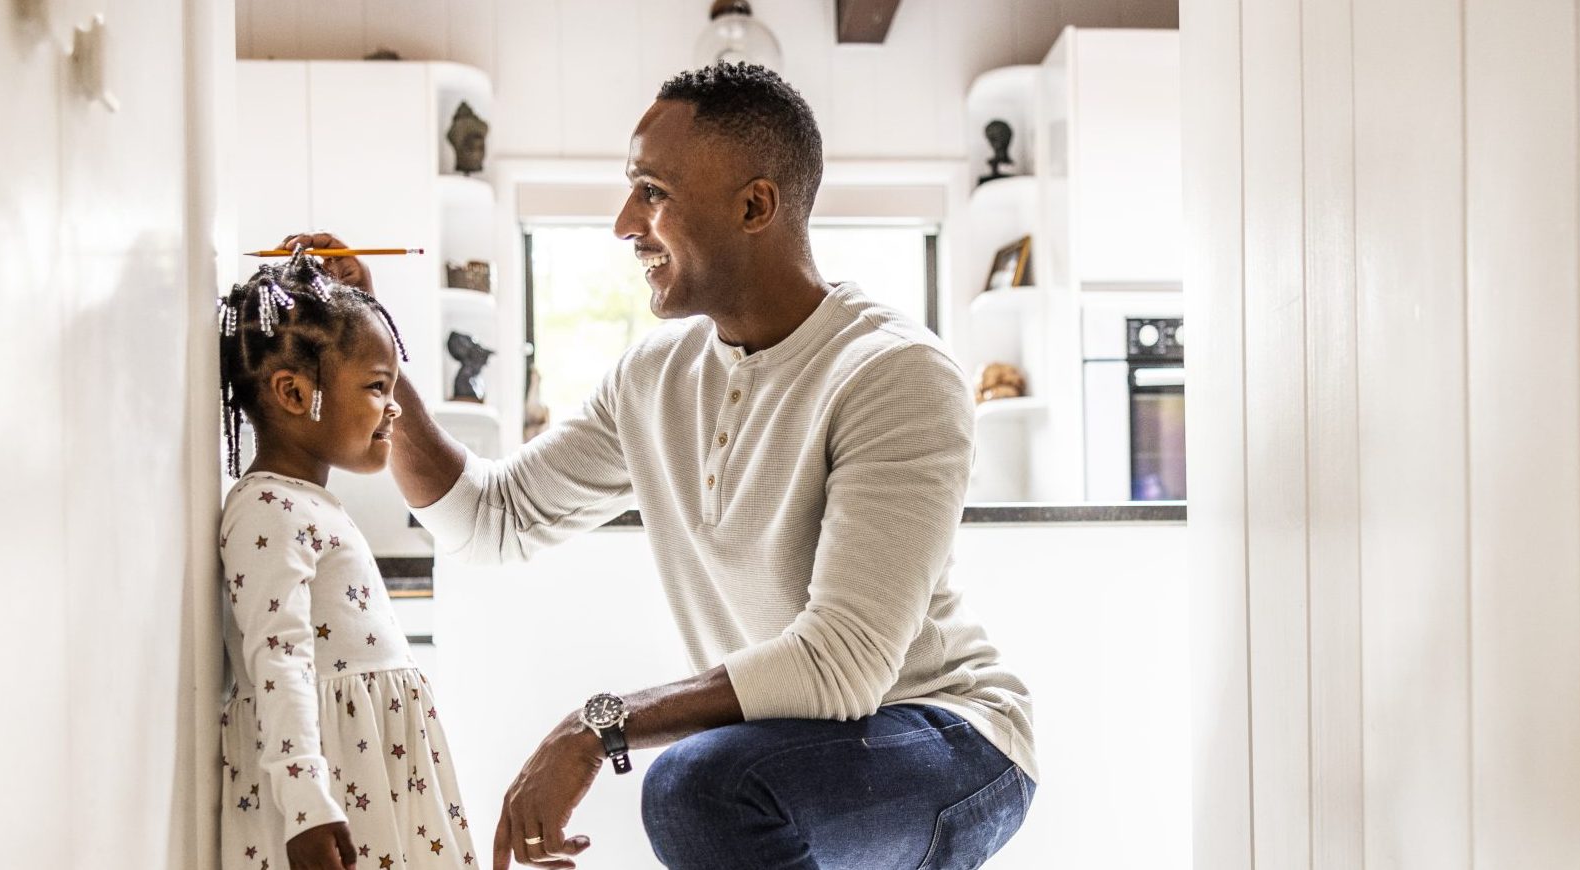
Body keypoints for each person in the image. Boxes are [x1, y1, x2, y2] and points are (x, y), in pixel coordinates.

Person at [292, 61, 1035, 870]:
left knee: (699, 787)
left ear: (755, 205)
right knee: (706, 783)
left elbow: (843, 664)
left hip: (950, 738)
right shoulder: (653, 379)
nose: (622, 224)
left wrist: (597, 725)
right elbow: (488, 519)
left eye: (651, 191)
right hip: (803, 747)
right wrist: (370, 339)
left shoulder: (892, 372)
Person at [216, 252, 479, 870]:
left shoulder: (308, 502)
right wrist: (306, 803)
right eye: (375, 386)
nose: (392, 407)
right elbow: (277, 660)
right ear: (292, 392)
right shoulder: (266, 508)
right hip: (337, 779)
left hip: (373, 763)